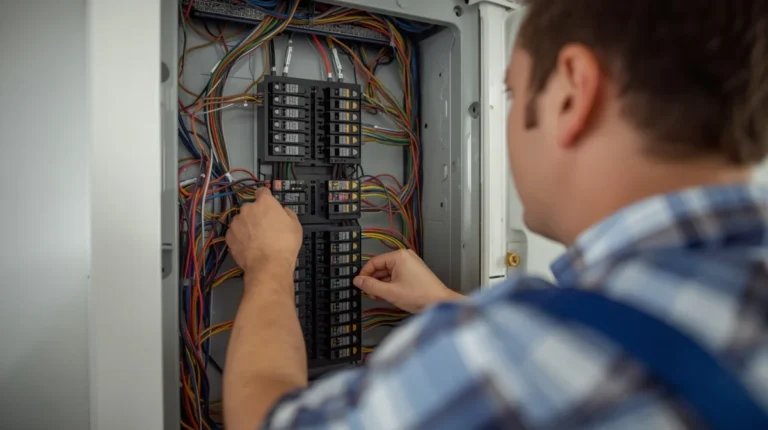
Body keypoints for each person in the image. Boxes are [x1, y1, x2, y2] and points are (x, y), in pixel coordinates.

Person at [222, 0, 768, 428]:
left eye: (510, 92)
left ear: (571, 96)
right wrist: (448, 305)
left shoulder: (511, 355)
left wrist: (270, 265)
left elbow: (268, 421)